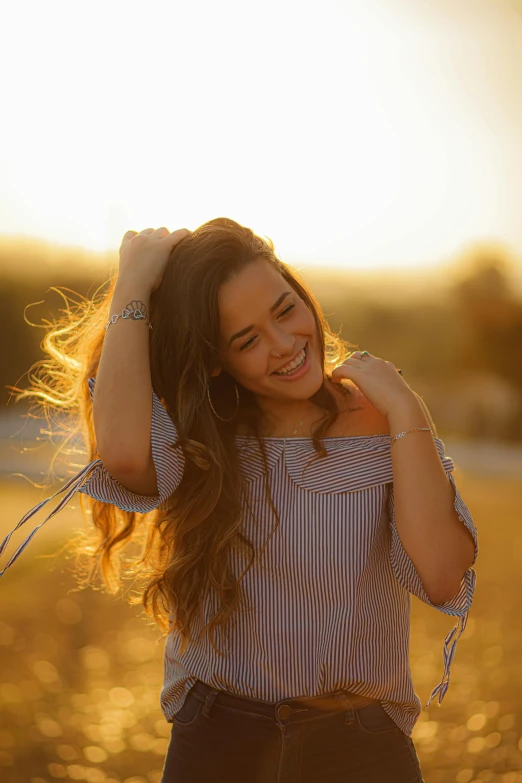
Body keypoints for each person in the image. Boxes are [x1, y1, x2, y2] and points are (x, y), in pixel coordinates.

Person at [1, 218, 478, 782]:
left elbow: (444, 574)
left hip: (360, 746)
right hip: (216, 740)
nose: (284, 346)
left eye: (285, 309)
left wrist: (407, 409)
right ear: (214, 359)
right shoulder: (203, 431)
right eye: (247, 340)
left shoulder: (385, 421)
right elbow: (125, 456)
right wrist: (132, 285)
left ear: (302, 293)